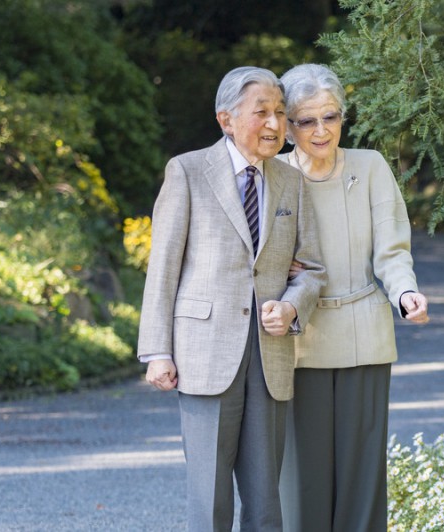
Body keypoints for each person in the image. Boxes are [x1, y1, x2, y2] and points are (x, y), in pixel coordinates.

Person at [137, 66, 326, 532]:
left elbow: (313, 269)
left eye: (280, 112)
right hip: (203, 353)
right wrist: (157, 350)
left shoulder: (290, 182)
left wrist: (293, 305)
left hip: (270, 357)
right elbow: (163, 268)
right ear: (226, 119)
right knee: (210, 497)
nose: (274, 124)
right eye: (261, 112)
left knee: (266, 501)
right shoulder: (187, 171)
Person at [276, 63, 430, 532]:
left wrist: (406, 293)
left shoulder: (371, 167)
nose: (322, 130)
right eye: (307, 120)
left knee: (363, 480)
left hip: (365, 333)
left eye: (331, 116)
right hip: (298, 341)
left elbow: (392, 248)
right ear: (286, 126)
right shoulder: (273, 174)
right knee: (302, 483)